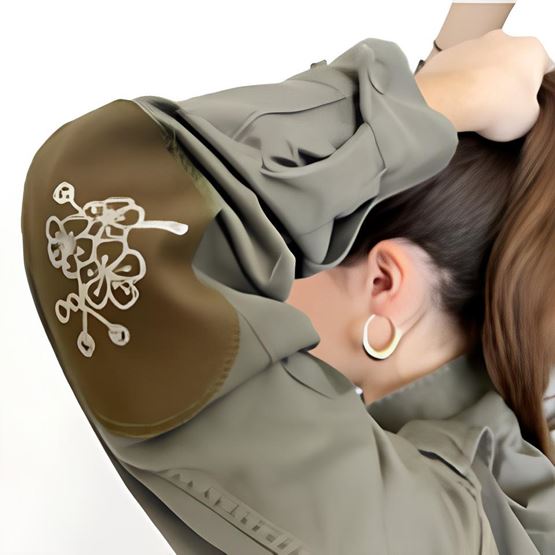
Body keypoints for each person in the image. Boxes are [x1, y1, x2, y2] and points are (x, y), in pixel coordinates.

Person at [20, 28, 554, 555]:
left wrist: (437, 99)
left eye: (298, 243)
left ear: (385, 283)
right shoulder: (516, 492)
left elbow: (101, 205)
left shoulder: (410, 522)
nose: (270, 274)